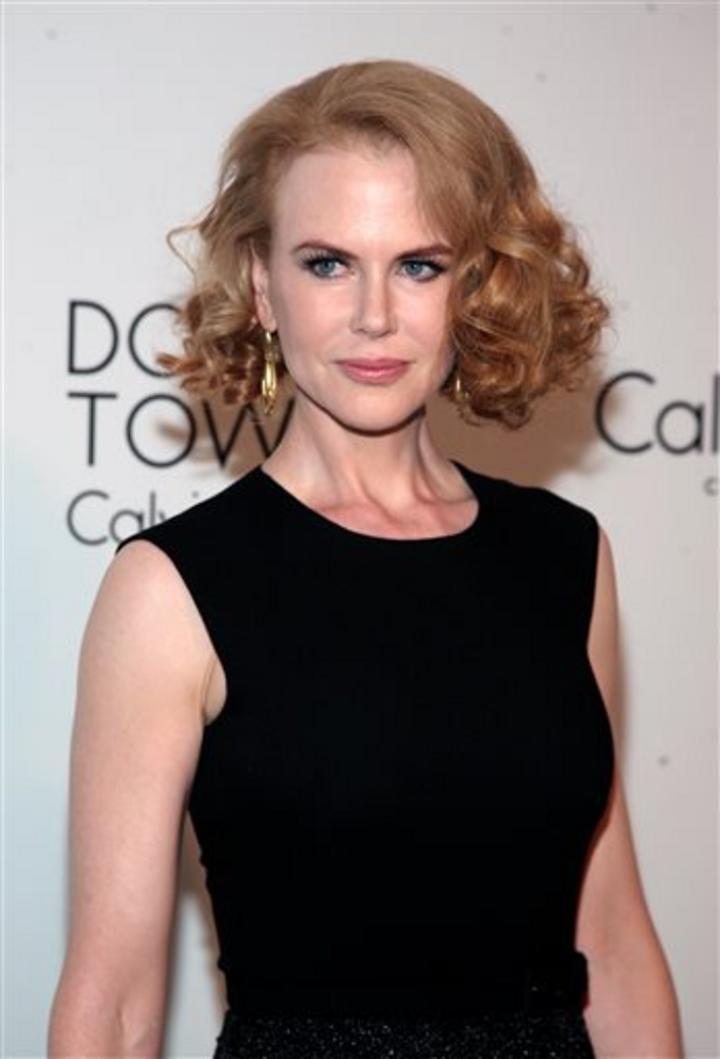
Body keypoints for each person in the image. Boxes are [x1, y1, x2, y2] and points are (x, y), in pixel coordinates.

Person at [48, 59, 683, 1058]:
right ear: (262, 286)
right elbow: (116, 1002)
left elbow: (610, 935)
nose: (375, 315)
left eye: (419, 265)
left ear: (476, 287)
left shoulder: (565, 556)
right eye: (328, 263)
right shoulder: (173, 587)